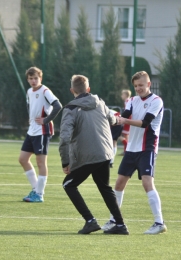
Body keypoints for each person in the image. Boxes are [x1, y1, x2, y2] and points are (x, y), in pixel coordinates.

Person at [59, 75, 129, 235]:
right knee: (105, 187)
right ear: (88, 89)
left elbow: (64, 137)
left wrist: (65, 161)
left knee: (68, 185)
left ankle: (90, 221)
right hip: (105, 153)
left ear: (72, 91)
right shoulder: (101, 103)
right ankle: (120, 224)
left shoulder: (70, 109)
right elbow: (113, 120)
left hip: (86, 156)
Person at [101, 71, 167, 235]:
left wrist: (124, 121)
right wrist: (110, 117)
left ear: (149, 84)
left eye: (141, 85)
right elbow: (123, 116)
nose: (138, 88)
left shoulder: (156, 101)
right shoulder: (131, 100)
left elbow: (145, 123)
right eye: (136, 86)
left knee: (147, 184)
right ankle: (114, 219)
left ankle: (159, 223)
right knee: (119, 184)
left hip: (147, 149)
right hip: (131, 149)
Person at [19, 67, 62, 202]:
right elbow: (29, 105)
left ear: (40, 78)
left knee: (40, 162)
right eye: (30, 78)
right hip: (32, 130)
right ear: (27, 80)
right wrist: (30, 117)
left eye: (35, 78)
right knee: (23, 159)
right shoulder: (29, 91)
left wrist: (46, 119)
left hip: (43, 131)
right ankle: (35, 190)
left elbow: (58, 106)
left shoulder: (45, 91)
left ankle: (39, 194)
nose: (33, 81)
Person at [119, 89, 132, 154]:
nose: (121, 96)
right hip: (128, 120)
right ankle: (125, 150)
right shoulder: (128, 101)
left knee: (120, 135)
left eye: (122, 94)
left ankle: (127, 149)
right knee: (126, 136)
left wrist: (124, 120)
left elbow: (128, 112)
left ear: (126, 95)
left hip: (127, 120)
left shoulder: (127, 101)